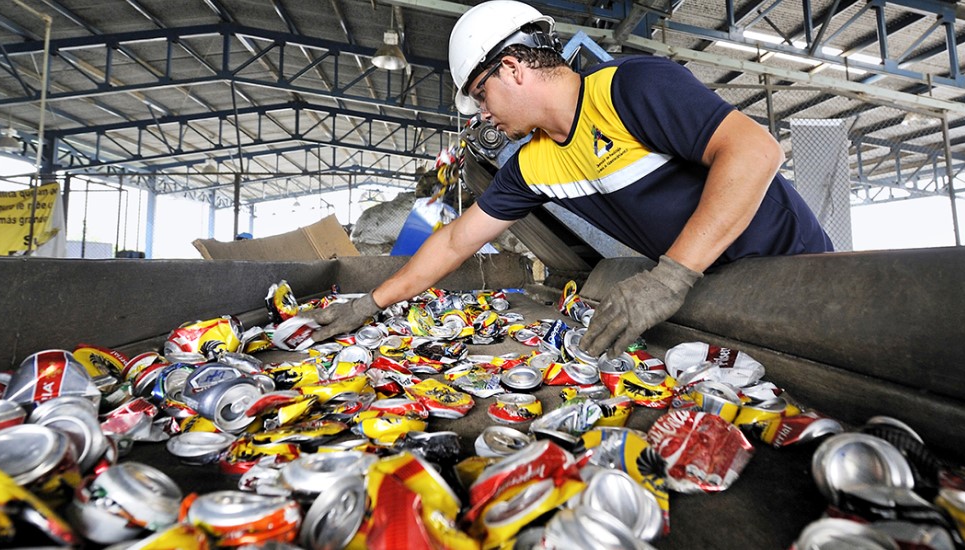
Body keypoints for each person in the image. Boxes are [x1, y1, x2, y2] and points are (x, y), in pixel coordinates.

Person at [303, 0, 832, 356]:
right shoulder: (531, 165)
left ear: (512, 67)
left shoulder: (629, 88)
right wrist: (368, 304)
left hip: (800, 274)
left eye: (481, 95)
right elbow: (453, 243)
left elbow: (754, 151)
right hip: (715, 290)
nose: (483, 115)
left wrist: (670, 277)